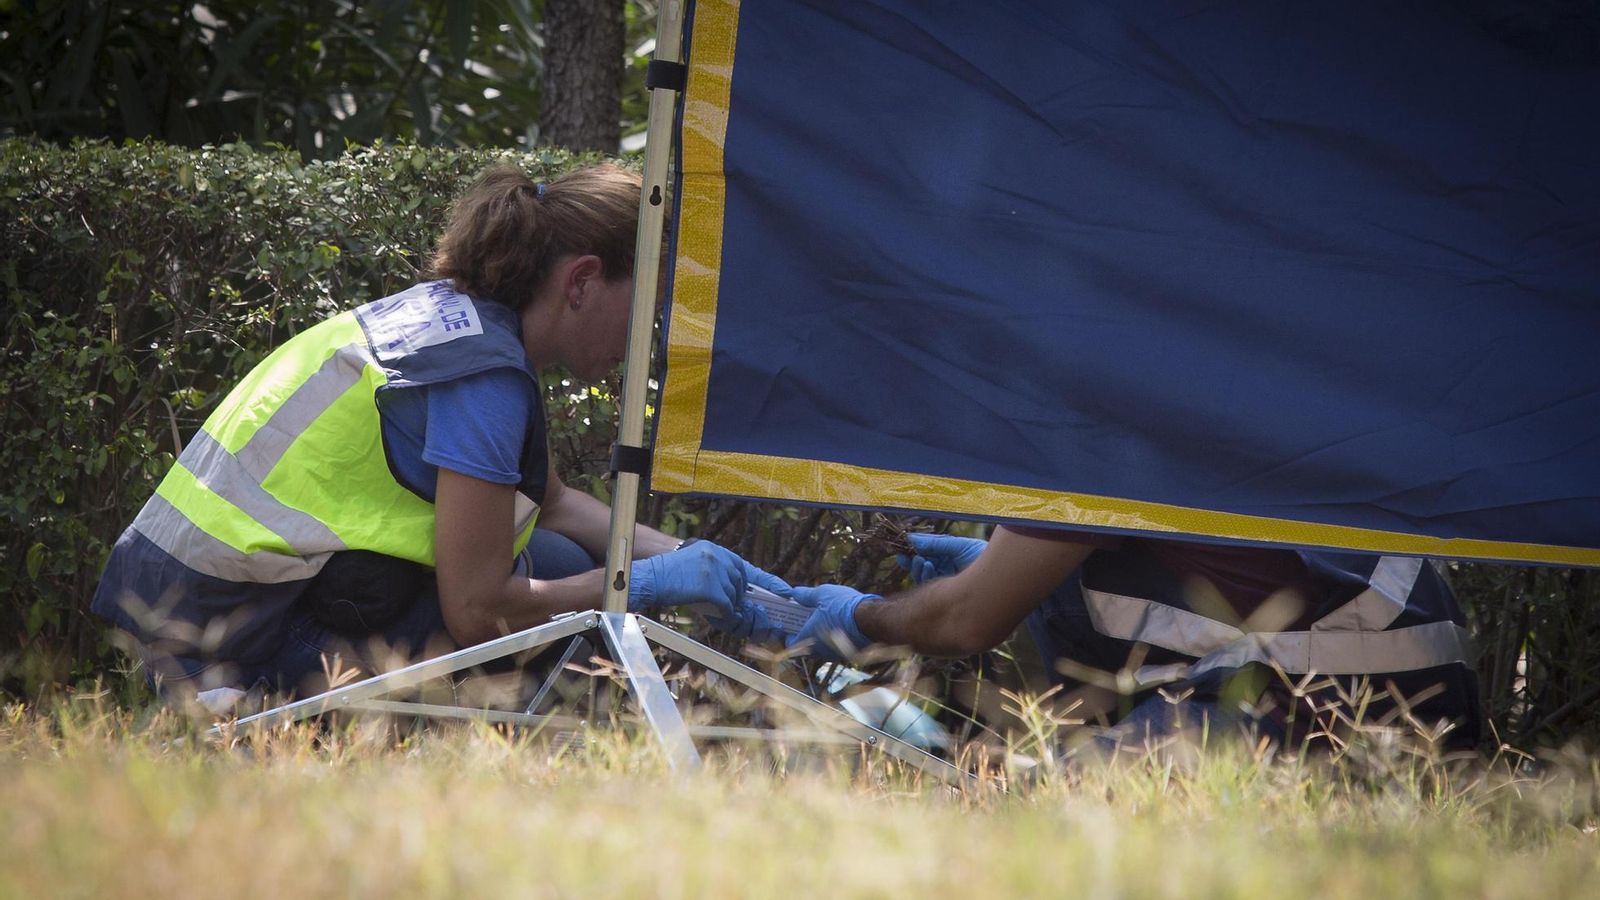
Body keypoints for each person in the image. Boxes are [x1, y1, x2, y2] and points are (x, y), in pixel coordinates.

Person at [92, 163, 784, 704]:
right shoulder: (482, 380)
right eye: (648, 308)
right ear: (582, 282)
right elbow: (479, 611)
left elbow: (551, 500)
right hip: (225, 646)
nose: (649, 336)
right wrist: (645, 584)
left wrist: (707, 565)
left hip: (180, 607)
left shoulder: (452, 322)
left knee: (546, 549)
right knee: (555, 583)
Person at [786, 525, 1482, 748]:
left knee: (1068, 834)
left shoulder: (1088, 400)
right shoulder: (1163, 356)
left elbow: (964, 621)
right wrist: (993, 564)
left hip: (1345, 701)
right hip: (1410, 686)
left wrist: (856, 617)